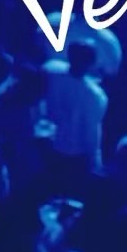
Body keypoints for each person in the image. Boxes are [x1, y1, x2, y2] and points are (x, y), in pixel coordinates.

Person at [43, 40, 108, 177]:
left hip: (63, 152)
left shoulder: (50, 70)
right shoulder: (95, 95)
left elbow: (92, 131)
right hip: (62, 151)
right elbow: (92, 133)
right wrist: (95, 163)